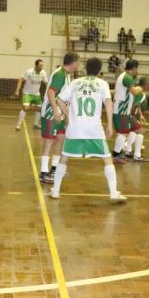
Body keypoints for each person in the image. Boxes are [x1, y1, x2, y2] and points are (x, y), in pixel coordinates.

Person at [49, 57, 126, 204]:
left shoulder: (75, 82)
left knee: (64, 158)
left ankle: (56, 191)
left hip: (75, 127)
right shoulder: (102, 84)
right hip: (94, 129)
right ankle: (113, 193)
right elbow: (109, 103)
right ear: (99, 71)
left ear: (85, 69)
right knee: (107, 159)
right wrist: (110, 124)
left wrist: (67, 113)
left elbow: (59, 99)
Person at [39, 52, 79, 183]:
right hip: (52, 112)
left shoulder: (67, 75)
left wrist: (67, 114)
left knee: (61, 139)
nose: (78, 66)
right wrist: (55, 110)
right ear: (73, 63)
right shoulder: (60, 74)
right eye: (77, 63)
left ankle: (54, 168)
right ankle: (43, 172)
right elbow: (51, 92)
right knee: (49, 141)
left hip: (60, 113)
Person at [112, 59, 143, 163]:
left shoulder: (124, 76)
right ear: (134, 68)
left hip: (126, 111)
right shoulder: (127, 77)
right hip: (121, 110)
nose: (137, 71)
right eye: (137, 68)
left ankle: (131, 152)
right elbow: (134, 92)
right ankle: (116, 155)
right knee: (123, 133)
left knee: (139, 129)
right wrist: (140, 88)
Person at [15, 59, 48, 130]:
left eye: (42, 65)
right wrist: (17, 90)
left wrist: (48, 92)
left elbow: (46, 83)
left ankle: (35, 125)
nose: (41, 67)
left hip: (36, 94)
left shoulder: (43, 73)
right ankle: (18, 125)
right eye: (40, 65)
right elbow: (21, 80)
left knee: (39, 109)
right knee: (25, 108)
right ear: (36, 65)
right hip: (27, 93)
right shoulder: (29, 72)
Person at [124, 77, 149, 162]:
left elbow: (138, 105)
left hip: (128, 115)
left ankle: (128, 151)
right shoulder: (142, 94)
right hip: (129, 116)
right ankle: (137, 155)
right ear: (146, 85)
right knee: (140, 131)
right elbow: (134, 105)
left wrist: (141, 115)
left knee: (134, 132)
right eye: (148, 84)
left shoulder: (137, 92)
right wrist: (131, 117)